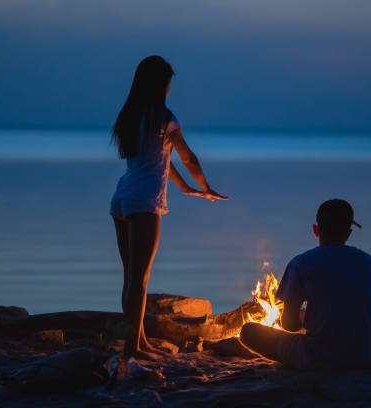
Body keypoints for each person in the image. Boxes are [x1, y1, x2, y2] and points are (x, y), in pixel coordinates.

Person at [110, 56, 228, 359]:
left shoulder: (131, 115)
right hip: (143, 202)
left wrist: (185, 188)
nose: (169, 89)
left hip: (122, 198)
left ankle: (139, 341)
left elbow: (160, 159)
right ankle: (132, 349)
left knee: (131, 277)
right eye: (168, 84)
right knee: (140, 279)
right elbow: (188, 158)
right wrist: (205, 186)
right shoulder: (165, 117)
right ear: (161, 85)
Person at [240, 199, 371, 370]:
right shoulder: (368, 261)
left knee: (248, 331)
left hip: (318, 358)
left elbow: (289, 325)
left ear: (315, 230)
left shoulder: (301, 263)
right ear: (348, 233)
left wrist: (305, 316)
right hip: (366, 356)